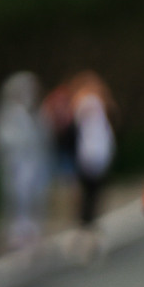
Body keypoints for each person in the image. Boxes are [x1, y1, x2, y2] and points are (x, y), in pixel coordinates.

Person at [45, 70, 118, 228]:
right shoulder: (87, 102)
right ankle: (86, 223)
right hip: (89, 152)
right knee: (89, 191)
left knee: (89, 191)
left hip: (92, 152)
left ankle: (86, 222)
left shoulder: (87, 103)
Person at [0, 71, 49, 250]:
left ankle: (30, 229)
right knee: (15, 196)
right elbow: (0, 139)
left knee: (32, 195)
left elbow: (42, 138)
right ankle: (15, 231)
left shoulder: (33, 114)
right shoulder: (7, 114)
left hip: (32, 163)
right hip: (15, 163)